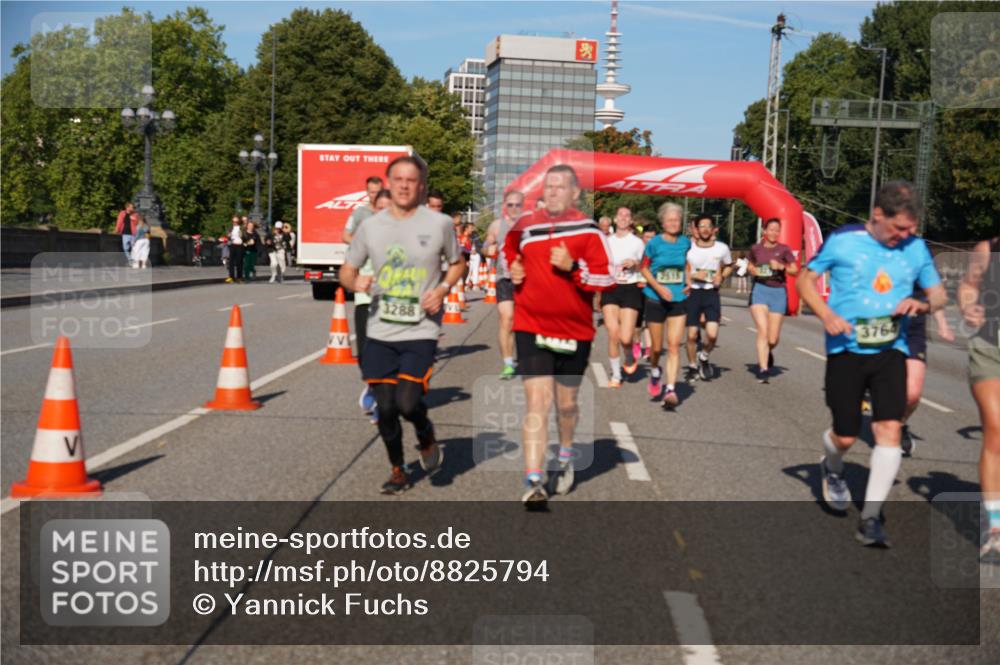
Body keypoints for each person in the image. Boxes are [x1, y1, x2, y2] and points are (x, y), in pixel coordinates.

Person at [798, 180, 947, 548]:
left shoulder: (914, 248)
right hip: (845, 350)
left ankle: (871, 518)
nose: (905, 235)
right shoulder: (844, 240)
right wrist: (825, 314)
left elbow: (939, 294)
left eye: (911, 229)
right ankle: (831, 467)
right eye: (899, 228)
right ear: (877, 215)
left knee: (888, 431)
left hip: (891, 351)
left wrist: (924, 305)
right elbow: (805, 280)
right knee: (845, 435)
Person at [340, 156, 464, 495]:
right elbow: (346, 270)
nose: (405, 185)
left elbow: (458, 264)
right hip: (380, 329)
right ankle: (398, 468)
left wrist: (441, 289)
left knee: (408, 403)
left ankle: (425, 433)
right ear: (388, 183)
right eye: (398, 179)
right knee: (385, 407)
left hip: (420, 328)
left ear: (421, 185)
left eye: (412, 180)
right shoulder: (371, 226)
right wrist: (355, 284)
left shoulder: (439, 224)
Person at [504, 164, 614, 508]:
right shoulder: (527, 225)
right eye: (548, 187)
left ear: (575, 193)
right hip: (531, 324)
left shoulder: (589, 231)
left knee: (566, 406)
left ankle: (565, 456)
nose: (551, 192)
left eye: (559, 187)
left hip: (574, 330)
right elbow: (509, 251)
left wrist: (575, 267)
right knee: (538, 402)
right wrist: (515, 267)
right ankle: (534, 478)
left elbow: (606, 279)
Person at [957, 236, 1000, 558]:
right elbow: (969, 285)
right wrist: (969, 306)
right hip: (989, 347)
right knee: (995, 430)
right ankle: (996, 527)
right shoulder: (989, 249)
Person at [640, 203, 691, 408]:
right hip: (655, 297)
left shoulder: (685, 242)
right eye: (670, 220)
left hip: (678, 298)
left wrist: (688, 280)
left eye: (677, 220)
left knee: (673, 347)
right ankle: (654, 370)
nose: (673, 223)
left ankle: (670, 389)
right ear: (663, 222)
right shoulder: (654, 244)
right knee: (656, 348)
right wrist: (659, 288)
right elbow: (643, 269)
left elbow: (686, 263)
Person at [348, 189, 392, 421]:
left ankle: (381, 402)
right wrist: (355, 280)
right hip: (365, 301)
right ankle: (372, 386)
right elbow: (347, 271)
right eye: (380, 207)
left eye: (388, 207)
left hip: (392, 303)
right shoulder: (363, 236)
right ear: (374, 209)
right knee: (365, 354)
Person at [895, 285, 956, 454]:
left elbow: (934, 292)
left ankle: (899, 424)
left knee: (912, 395)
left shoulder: (920, 257)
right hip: (879, 332)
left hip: (912, 332)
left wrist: (942, 323)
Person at [747, 218, 799, 383]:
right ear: (764, 231)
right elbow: (749, 265)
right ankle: (763, 369)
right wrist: (753, 270)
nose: (774, 233)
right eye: (771, 229)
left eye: (777, 230)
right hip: (760, 291)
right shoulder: (756, 248)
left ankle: (767, 351)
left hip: (778, 293)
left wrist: (781, 267)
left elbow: (795, 270)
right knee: (762, 331)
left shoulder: (784, 249)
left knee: (772, 339)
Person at [600, 206, 646, 388]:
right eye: (621, 215)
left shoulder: (637, 243)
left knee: (626, 338)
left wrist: (635, 263)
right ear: (615, 218)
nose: (624, 218)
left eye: (627, 215)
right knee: (613, 332)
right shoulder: (606, 241)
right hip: (611, 287)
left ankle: (628, 354)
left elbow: (644, 265)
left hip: (630, 288)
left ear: (631, 220)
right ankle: (616, 375)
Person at [684, 214, 733, 381]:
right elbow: (682, 268)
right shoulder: (688, 248)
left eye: (708, 226)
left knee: (712, 335)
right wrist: (692, 276)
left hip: (711, 294)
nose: (705, 229)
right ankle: (691, 366)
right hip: (693, 294)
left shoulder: (721, 248)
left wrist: (722, 277)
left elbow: (728, 266)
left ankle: (703, 357)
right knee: (691, 335)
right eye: (701, 226)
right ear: (696, 229)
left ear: (713, 229)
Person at [484, 190, 525, 379]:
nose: (514, 208)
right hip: (504, 278)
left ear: (522, 206)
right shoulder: (496, 225)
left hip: (528, 280)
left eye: (517, 205)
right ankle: (508, 363)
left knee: (527, 324)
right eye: (510, 205)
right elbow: (485, 246)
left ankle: (529, 359)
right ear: (505, 206)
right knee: (506, 319)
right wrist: (488, 249)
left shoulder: (530, 225)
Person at [343, 176, 384, 244]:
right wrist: (363, 246)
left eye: (378, 192)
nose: (376, 195)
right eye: (372, 192)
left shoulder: (391, 212)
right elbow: (345, 236)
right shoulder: (358, 212)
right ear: (367, 192)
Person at [227, 217, 244, 283]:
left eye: (236, 222)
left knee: (239, 262)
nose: (235, 223)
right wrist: (229, 235)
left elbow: (245, 236)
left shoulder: (241, 228)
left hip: (239, 245)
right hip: (232, 245)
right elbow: (228, 235)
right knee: (231, 262)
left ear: (238, 222)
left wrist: (241, 235)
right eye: (234, 222)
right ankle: (231, 277)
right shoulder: (230, 228)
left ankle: (239, 277)